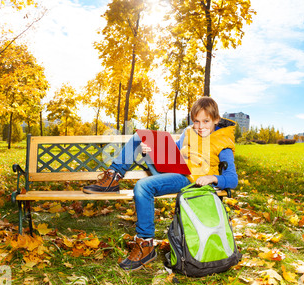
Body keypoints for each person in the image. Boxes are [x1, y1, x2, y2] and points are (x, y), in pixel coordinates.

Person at [83, 96, 238, 271]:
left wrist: (213, 178)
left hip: (189, 179)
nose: (200, 126)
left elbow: (233, 179)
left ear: (216, 120)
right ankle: (113, 176)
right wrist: (152, 151)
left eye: (206, 121)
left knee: (143, 186)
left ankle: (146, 244)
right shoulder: (189, 132)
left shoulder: (223, 142)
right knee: (139, 137)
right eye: (196, 121)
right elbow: (173, 153)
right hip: (175, 169)